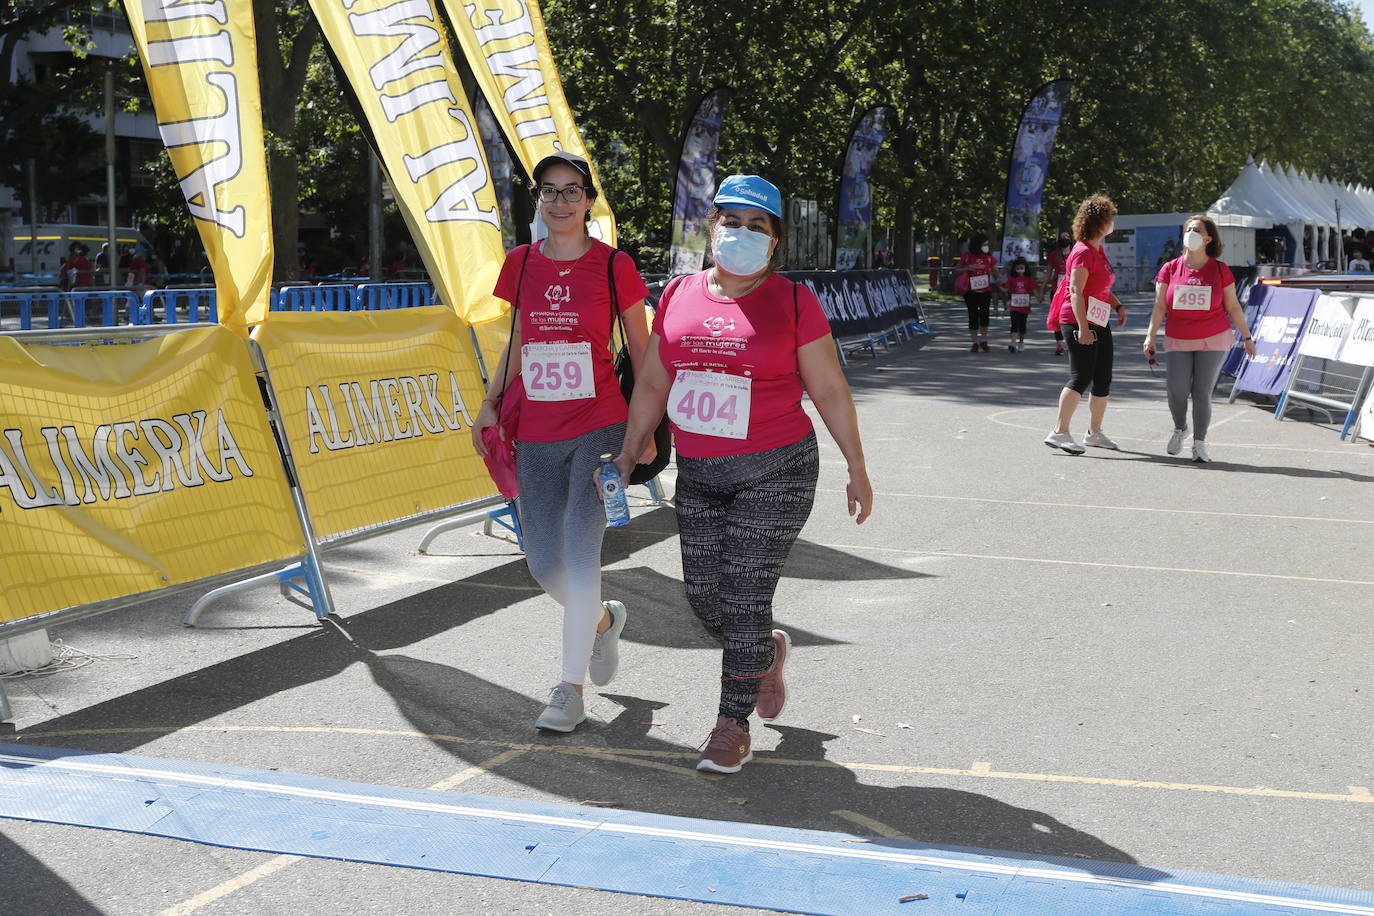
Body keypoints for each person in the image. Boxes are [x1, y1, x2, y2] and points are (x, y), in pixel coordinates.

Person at [610, 174, 873, 774]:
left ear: (775, 242)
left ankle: (732, 724)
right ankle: (765, 648)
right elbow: (654, 380)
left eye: (758, 226)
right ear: (711, 230)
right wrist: (632, 450)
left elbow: (829, 389)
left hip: (777, 469)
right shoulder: (677, 294)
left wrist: (856, 467)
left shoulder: (795, 302)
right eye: (732, 221)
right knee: (707, 600)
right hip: (701, 474)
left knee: (747, 589)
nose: (742, 234)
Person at [470, 151, 653, 733]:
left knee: (579, 553)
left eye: (572, 191)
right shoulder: (520, 263)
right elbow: (520, 340)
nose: (561, 202)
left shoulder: (613, 265)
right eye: (549, 191)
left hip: (602, 426)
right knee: (544, 563)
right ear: (538, 201)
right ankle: (603, 620)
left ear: (590, 202)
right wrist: (490, 401)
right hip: (536, 432)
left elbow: (643, 353)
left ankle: (569, 690)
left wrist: (645, 431)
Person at [1144, 215, 1257, 463]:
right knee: (1176, 389)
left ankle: (1199, 443)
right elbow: (1159, 306)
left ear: (1208, 238)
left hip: (1214, 337)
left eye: (1197, 229)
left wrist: (1247, 337)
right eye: (1188, 229)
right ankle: (1180, 428)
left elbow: (1233, 306)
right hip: (1178, 337)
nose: (1192, 232)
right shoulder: (1170, 268)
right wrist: (1150, 335)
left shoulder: (1219, 269)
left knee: (1201, 391)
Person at [1043, 195, 1127, 454]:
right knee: (1081, 376)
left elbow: (1099, 286)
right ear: (1098, 221)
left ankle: (1094, 432)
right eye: (1110, 217)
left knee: (1103, 378)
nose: (1113, 221)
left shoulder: (1098, 249)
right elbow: (1077, 291)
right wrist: (1083, 327)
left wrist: (1117, 305)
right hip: (1078, 319)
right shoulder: (1081, 251)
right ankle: (1059, 432)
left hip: (1099, 318)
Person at [956, 232, 1000, 352]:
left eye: (987, 244)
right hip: (970, 291)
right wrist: (967, 268)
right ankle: (974, 341)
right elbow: (957, 269)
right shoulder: (967, 256)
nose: (986, 246)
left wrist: (1000, 281)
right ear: (977, 244)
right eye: (984, 244)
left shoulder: (989, 257)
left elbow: (995, 271)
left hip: (985, 290)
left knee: (984, 315)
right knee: (973, 315)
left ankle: (983, 339)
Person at [1042, 230, 1072, 355]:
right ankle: (1059, 345)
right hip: (1057, 291)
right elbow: (1048, 272)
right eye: (1062, 237)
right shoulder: (1054, 255)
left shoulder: (1076, 253)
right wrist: (1042, 287)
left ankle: (1072, 344)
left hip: (1072, 291)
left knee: (1072, 317)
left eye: (1067, 236)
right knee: (1057, 318)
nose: (1065, 238)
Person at [1003, 256, 1037, 352]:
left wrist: (1039, 296)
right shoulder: (1011, 279)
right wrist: (998, 285)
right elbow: (1006, 289)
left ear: (1025, 268)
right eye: (1018, 268)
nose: (1020, 270)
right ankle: (1013, 343)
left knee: (1022, 325)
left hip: (1025, 306)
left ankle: (1021, 342)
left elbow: (1034, 289)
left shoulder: (1029, 279)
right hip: (1014, 306)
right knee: (1014, 324)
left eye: (1022, 268)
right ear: (1014, 269)